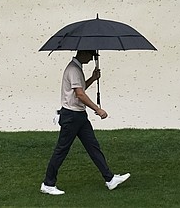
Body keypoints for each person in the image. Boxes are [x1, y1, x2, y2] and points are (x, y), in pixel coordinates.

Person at [40, 50, 130, 196]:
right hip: (71, 116)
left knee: (93, 146)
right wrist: (97, 109)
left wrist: (93, 78)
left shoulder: (77, 68)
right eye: (91, 55)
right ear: (83, 53)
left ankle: (110, 179)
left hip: (79, 116)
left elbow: (79, 89)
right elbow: (80, 94)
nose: (92, 58)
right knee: (61, 149)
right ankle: (48, 184)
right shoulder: (73, 69)